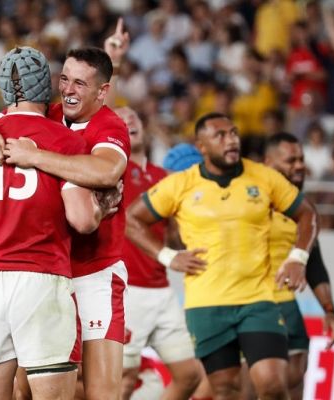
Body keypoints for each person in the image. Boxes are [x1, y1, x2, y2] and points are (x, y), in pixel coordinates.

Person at [0, 25, 132, 400]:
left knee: (100, 393)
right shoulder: (50, 115)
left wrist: (35, 156)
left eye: (80, 84)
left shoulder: (109, 126)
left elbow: (107, 171)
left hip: (92, 269)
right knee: (27, 390)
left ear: (102, 91)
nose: (68, 90)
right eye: (64, 79)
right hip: (48, 270)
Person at [125, 112, 319, 399]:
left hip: (258, 301)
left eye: (234, 134)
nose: (231, 141)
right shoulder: (181, 184)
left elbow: (307, 214)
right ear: (201, 146)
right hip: (207, 306)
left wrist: (298, 257)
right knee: (225, 390)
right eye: (220, 136)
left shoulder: (263, 177)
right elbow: (131, 219)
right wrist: (167, 256)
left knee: (273, 385)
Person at [239, 131, 334, 400]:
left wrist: (328, 309)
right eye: (290, 160)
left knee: (295, 379)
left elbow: (313, 260)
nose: (299, 165)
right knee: (250, 387)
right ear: (269, 162)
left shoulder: (302, 209)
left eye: (301, 159)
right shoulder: (247, 199)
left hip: (286, 303)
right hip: (248, 304)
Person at [114, 107, 202, 400]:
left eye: (135, 117)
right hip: (127, 290)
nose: (130, 121)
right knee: (123, 380)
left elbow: (175, 237)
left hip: (161, 290)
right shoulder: (109, 169)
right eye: (122, 120)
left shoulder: (165, 177)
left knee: (189, 376)